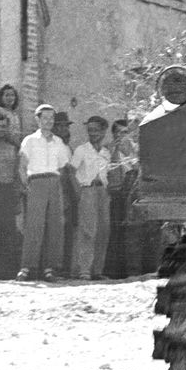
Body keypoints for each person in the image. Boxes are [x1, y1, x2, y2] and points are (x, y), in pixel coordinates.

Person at [17, 104, 71, 282]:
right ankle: (26, 267)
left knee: (54, 225)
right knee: (34, 225)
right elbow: (22, 166)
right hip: (36, 182)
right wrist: (27, 186)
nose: (48, 121)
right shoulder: (30, 141)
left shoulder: (59, 142)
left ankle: (49, 268)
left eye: (51, 118)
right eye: (45, 118)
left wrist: (55, 184)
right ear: (38, 119)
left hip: (54, 183)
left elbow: (63, 167)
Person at [72, 116, 112, 280]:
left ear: (103, 131)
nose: (93, 133)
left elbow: (108, 174)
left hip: (102, 192)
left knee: (103, 230)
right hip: (87, 190)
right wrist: (78, 192)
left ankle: (97, 270)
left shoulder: (106, 153)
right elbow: (70, 171)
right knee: (88, 230)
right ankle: (84, 270)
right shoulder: (82, 150)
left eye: (96, 130)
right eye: (90, 130)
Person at [0, 109, 22, 279]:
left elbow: (17, 172)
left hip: (8, 191)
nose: (1, 129)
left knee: (8, 232)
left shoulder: (13, 146)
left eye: (4, 126)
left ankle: (7, 272)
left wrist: (16, 195)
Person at [107, 118, 140, 277]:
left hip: (131, 190)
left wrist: (130, 154)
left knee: (131, 230)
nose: (122, 135)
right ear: (113, 134)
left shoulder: (135, 148)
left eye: (125, 132)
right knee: (115, 229)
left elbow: (140, 168)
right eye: (119, 132)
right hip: (114, 192)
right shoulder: (108, 149)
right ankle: (114, 270)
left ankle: (131, 270)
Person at [53, 110, 78, 275]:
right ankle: (56, 266)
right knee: (57, 228)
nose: (63, 129)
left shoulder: (67, 146)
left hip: (69, 191)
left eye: (65, 126)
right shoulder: (53, 145)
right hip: (57, 189)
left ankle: (66, 267)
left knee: (69, 228)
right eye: (59, 126)